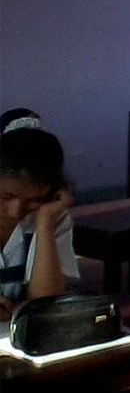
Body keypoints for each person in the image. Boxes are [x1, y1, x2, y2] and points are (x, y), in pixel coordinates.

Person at [0, 128, 79, 320]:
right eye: (6, 196)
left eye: (33, 200)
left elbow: (46, 303)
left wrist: (45, 221)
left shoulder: (52, 217)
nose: (16, 211)